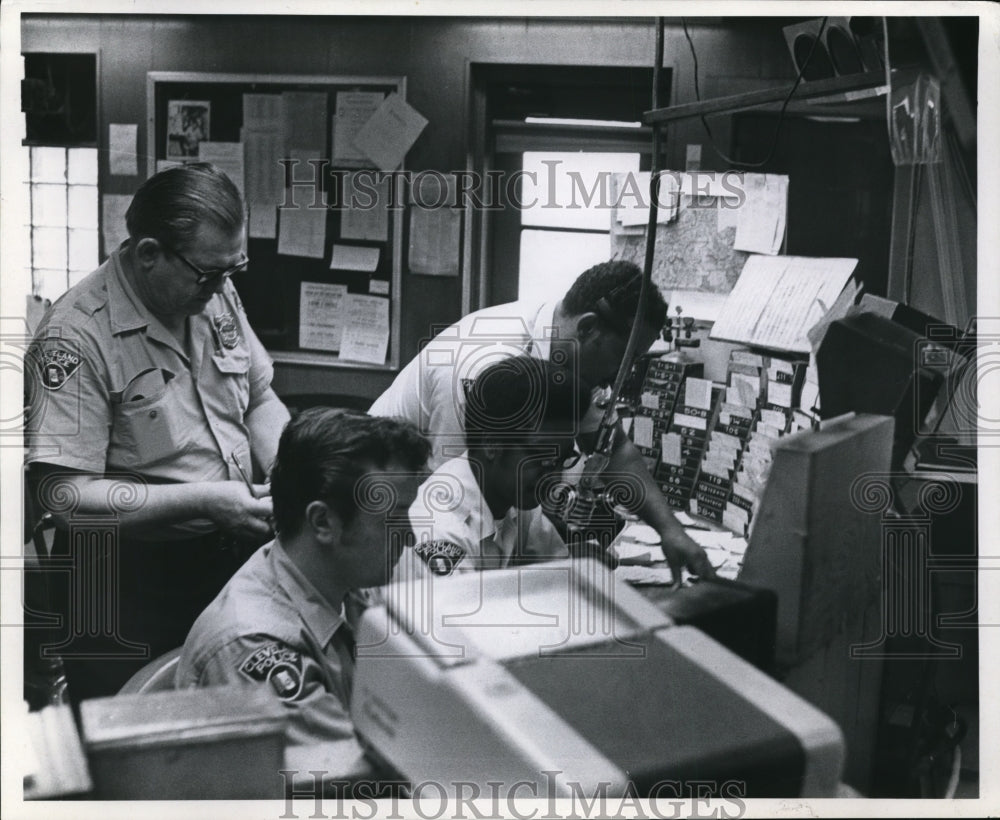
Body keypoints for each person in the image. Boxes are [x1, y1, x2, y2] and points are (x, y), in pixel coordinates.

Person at [24, 162, 289, 702]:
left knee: (228, 713)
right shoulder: (76, 338)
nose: (221, 288)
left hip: (225, 551)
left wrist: (289, 473)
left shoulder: (212, 289)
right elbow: (64, 496)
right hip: (123, 577)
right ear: (149, 254)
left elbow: (259, 397)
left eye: (231, 270)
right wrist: (206, 500)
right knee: (130, 734)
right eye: (208, 274)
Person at [370, 260, 716, 583]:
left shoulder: (567, 365)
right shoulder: (485, 362)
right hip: (384, 502)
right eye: (623, 359)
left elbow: (613, 448)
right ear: (588, 327)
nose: (619, 377)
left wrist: (671, 531)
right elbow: (460, 491)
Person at [176, 408, 430, 774]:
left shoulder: (346, 587)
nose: (410, 536)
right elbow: (358, 785)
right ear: (324, 522)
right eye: (394, 516)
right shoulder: (254, 644)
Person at [397, 356, 590, 580]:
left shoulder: (519, 497)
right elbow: (458, 614)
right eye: (544, 459)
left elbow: (560, 576)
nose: (554, 476)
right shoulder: (440, 529)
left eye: (565, 459)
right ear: (492, 444)